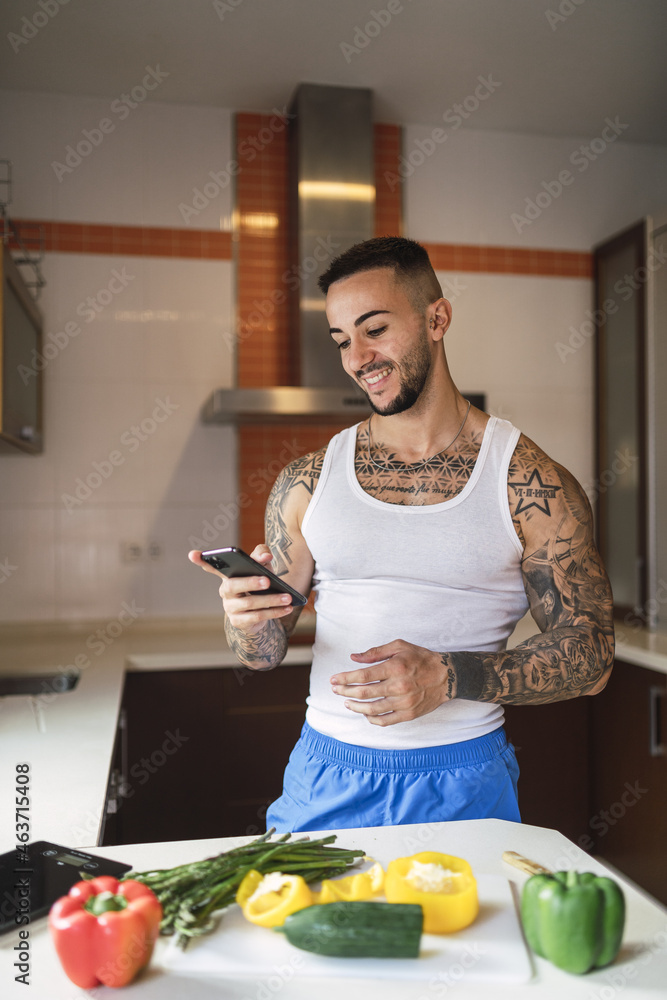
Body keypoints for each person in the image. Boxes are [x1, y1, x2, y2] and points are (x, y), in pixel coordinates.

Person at [190, 236, 615, 833]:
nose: (357, 357)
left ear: (437, 318)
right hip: (324, 772)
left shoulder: (530, 483)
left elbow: (592, 655)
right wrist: (247, 621)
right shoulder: (306, 483)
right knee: (291, 925)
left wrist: (450, 677)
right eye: (341, 340)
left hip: (463, 779)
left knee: (460, 929)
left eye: (375, 329)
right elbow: (263, 655)